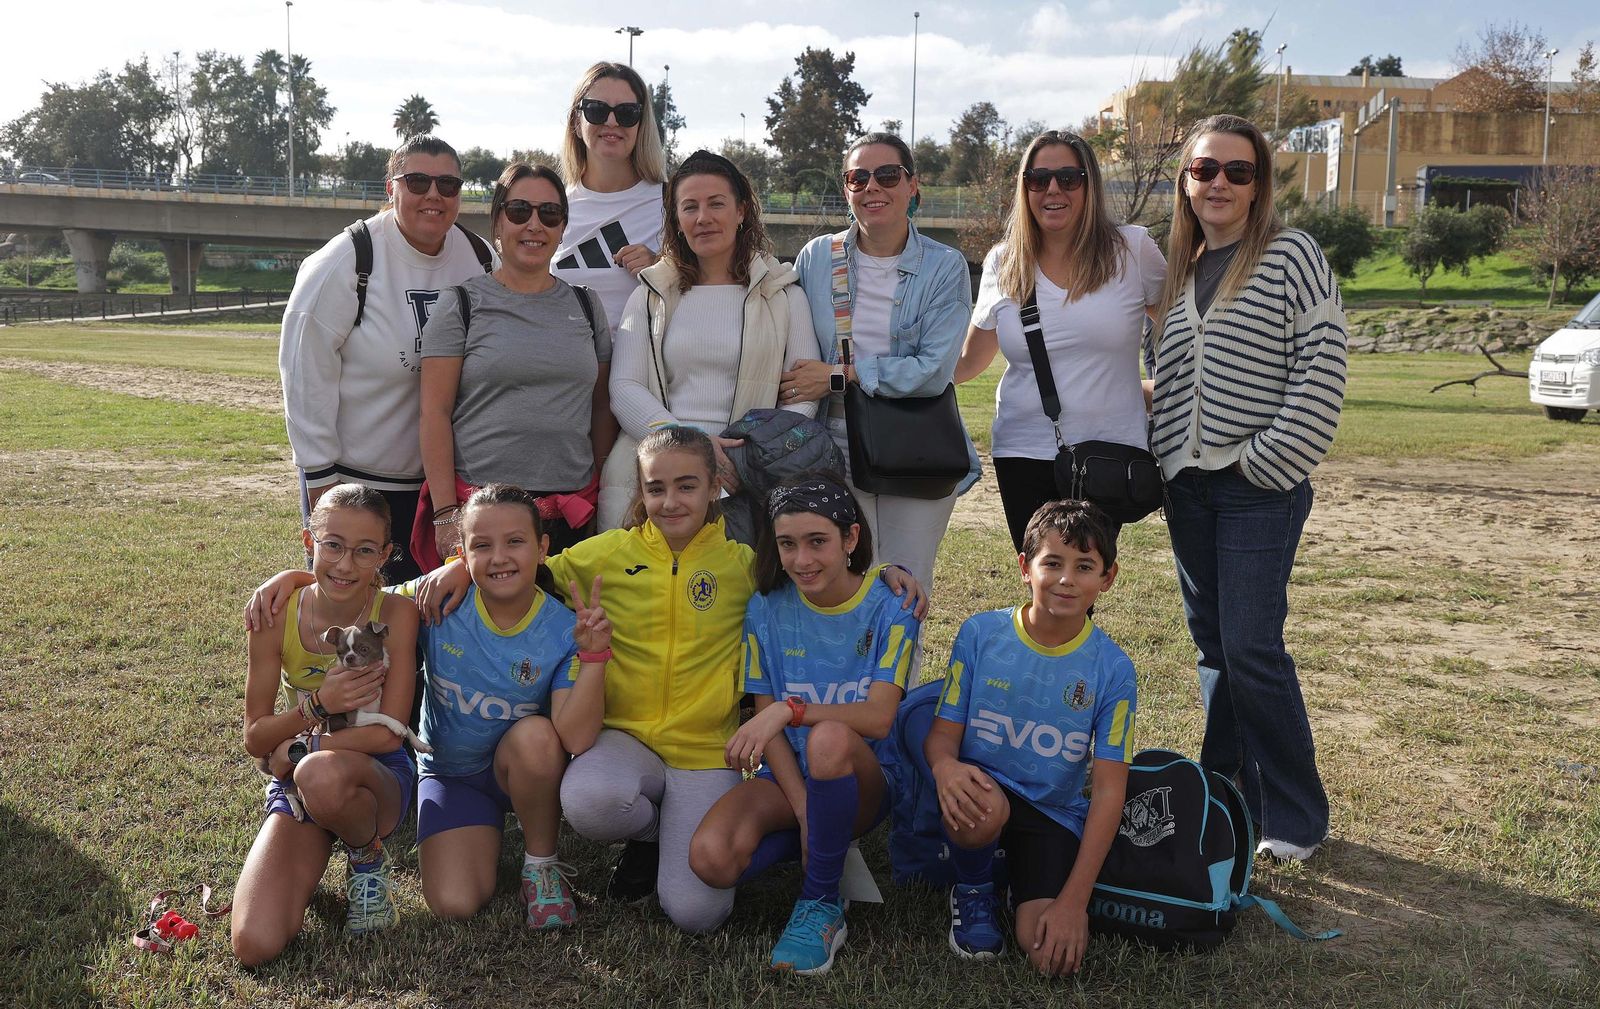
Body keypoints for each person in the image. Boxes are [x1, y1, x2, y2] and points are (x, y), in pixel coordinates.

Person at [409, 427, 925, 933]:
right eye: (656, 488)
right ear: (641, 492)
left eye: (687, 486)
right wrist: (458, 564)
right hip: (625, 740)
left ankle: (680, 837)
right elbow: (519, 565)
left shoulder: (745, 565)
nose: (671, 501)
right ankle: (655, 833)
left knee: (697, 914)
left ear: (712, 488)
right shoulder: (604, 556)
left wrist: (885, 574)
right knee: (591, 802)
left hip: (706, 751)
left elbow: (815, 573)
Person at [246, 484, 612, 930]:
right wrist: (293, 578)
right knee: (454, 902)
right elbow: (355, 584)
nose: (499, 557)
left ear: (543, 548)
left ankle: (540, 864)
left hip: (517, 768)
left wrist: (593, 659)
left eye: (515, 542)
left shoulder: (561, 628)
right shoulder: (436, 599)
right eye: (481, 546)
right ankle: (470, 832)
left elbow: (573, 737)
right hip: (450, 774)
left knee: (536, 736)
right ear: (462, 552)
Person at [1150, 113, 1348, 863]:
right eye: (1205, 170)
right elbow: (1173, 379)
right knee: (1213, 648)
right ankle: (1227, 795)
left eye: (1238, 170)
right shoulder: (1180, 267)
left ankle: (1296, 812)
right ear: (1186, 182)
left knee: (1252, 646)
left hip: (1257, 487)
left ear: (1259, 182)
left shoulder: (1291, 255)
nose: (1220, 183)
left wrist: (1264, 459)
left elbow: (1322, 367)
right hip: (1188, 489)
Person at [689, 476, 919, 975]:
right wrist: (803, 809)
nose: (802, 560)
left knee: (830, 738)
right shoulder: (765, 609)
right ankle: (822, 845)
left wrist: (790, 711)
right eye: (787, 544)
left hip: (863, 778)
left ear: (850, 539)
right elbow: (769, 721)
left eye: (818, 542)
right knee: (711, 859)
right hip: (789, 774)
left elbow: (879, 718)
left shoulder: (891, 606)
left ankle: (820, 904)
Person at [924, 500, 1135, 976]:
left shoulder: (1114, 668)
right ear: (1025, 567)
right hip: (984, 793)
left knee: (1046, 956)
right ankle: (974, 890)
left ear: (1108, 578)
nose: (1066, 579)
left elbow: (1107, 790)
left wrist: (1073, 903)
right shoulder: (980, 634)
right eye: (1052, 563)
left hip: (1050, 812)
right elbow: (940, 737)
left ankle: (1024, 880)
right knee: (982, 805)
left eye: (1085, 567)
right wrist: (946, 768)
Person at [280, 135, 492, 583]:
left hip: (446, 488)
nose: (433, 195)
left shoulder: (479, 258)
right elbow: (304, 378)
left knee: (432, 622)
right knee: (354, 624)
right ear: (390, 188)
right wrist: (322, 487)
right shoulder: (348, 259)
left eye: (449, 184)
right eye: (417, 181)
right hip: (357, 482)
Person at [231, 485, 419, 966]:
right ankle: (319, 831)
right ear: (308, 541)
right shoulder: (275, 613)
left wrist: (301, 741)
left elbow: (386, 733)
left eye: (364, 551)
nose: (344, 564)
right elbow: (255, 737)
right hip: (303, 775)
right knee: (255, 943)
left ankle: (367, 861)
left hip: (371, 777)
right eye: (331, 545)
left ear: (386, 556)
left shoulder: (395, 614)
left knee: (319, 772)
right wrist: (317, 704)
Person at [785, 132, 977, 599]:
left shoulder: (944, 266)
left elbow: (933, 371)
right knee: (843, 586)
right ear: (846, 188)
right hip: (831, 445)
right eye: (859, 177)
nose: (873, 187)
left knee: (906, 589)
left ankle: (897, 677)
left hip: (913, 447)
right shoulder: (816, 256)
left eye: (888, 175)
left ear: (913, 186)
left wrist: (842, 375)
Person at [955, 130, 1167, 551]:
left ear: (1089, 184)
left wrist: (1160, 389)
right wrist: (875, 368)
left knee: (1080, 583)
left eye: (1068, 178)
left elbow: (1184, 332)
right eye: (1039, 179)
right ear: (1025, 187)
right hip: (1022, 449)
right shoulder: (1004, 260)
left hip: (1108, 454)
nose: (1053, 189)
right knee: (1041, 580)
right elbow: (967, 363)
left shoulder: (1133, 249)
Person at [599, 150, 818, 530]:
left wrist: (747, 458)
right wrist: (690, 449)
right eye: (690, 207)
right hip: (652, 476)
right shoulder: (650, 294)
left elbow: (805, 395)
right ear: (677, 220)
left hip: (745, 475)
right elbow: (624, 387)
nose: (703, 218)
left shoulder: (784, 295)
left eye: (717, 204)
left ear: (741, 211)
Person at [418, 162, 616, 565]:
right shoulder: (461, 304)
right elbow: (434, 413)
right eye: (519, 210)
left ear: (563, 227)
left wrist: (602, 494)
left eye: (550, 214)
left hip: (570, 513)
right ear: (497, 221)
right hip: (484, 514)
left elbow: (599, 409)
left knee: (566, 627)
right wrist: (444, 516)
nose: (534, 225)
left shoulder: (586, 304)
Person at [555, 62, 666, 337]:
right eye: (597, 110)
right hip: (563, 375)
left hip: (643, 376)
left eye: (627, 113)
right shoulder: (550, 209)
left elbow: (711, 287)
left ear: (642, 124)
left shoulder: (673, 204)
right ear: (576, 123)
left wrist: (663, 269)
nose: (612, 122)